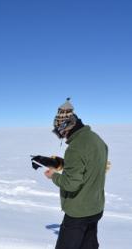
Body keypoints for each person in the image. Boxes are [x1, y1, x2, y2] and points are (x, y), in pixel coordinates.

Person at [44, 98, 108, 249]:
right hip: (96, 208)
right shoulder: (97, 139)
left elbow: (71, 184)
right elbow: (89, 165)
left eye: (60, 132)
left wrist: (53, 175)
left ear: (66, 127)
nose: (62, 137)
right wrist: (63, 164)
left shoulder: (75, 148)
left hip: (78, 213)